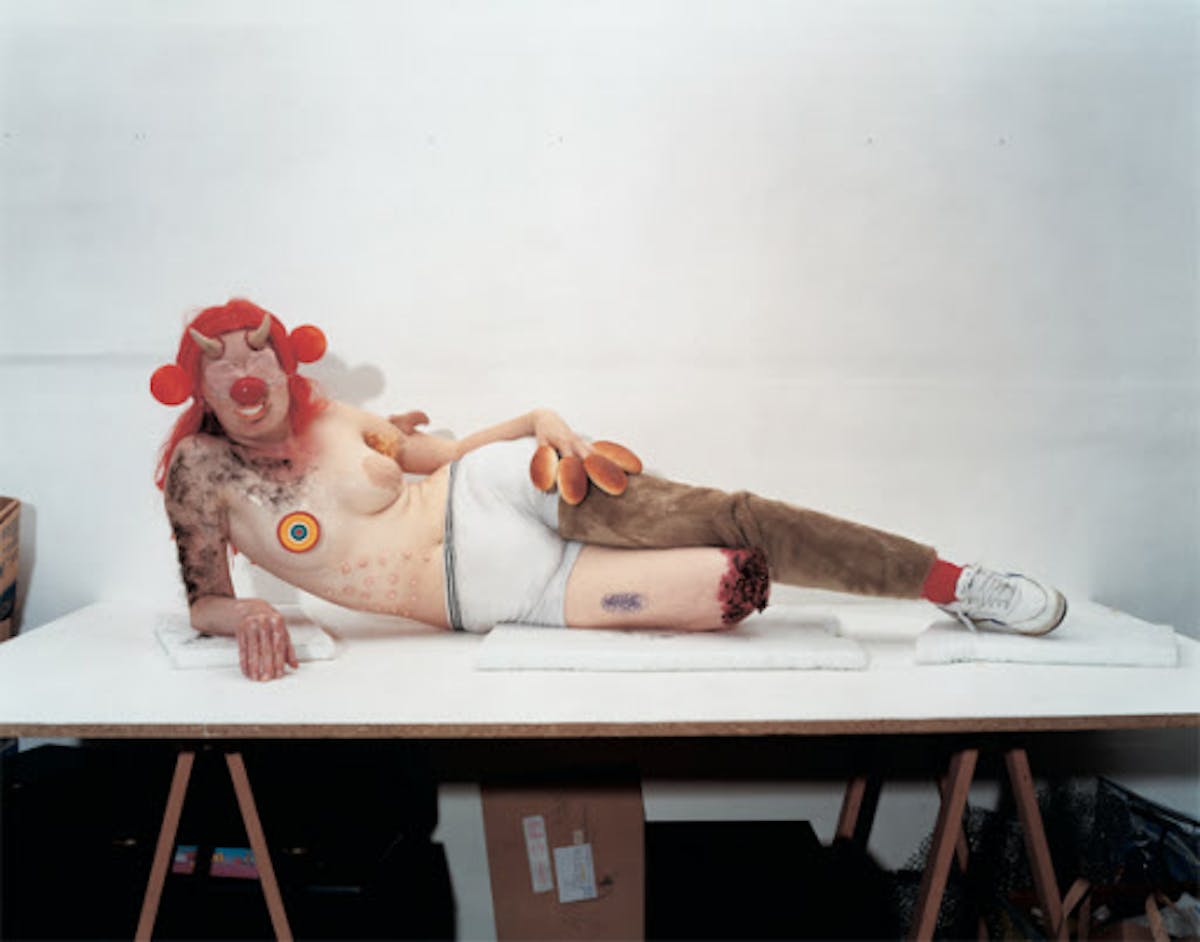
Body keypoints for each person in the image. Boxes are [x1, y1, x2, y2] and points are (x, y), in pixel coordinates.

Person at [152, 299, 1068, 682]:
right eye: (220, 361)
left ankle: (955, 584)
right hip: (502, 598)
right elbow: (204, 601)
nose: (245, 372)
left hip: (502, 493)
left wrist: (536, 419)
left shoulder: (335, 415)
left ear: (287, 359)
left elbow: (447, 452)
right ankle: (854, 582)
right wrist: (248, 616)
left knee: (731, 514)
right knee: (730, 582)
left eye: (258, 351)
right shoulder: (200, 471)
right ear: (196, 384)